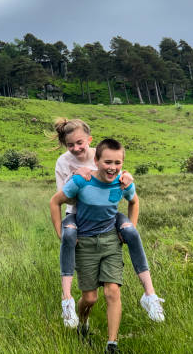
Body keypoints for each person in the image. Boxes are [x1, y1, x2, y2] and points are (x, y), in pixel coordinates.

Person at [52, 118, 164, 328]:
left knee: (131, 233)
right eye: (70, 145)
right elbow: (64, 196)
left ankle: (150, 294)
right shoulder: (63, 162)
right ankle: (66, 300)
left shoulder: (99, 155)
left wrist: (126, 176)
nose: (76, 148)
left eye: (80, 143)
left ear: (89, 140)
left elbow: (115, 170)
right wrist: (77, 176)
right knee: (68, 236)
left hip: (106, 212)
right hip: (77, 212)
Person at [50, 138, 138, 354]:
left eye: (118, 163)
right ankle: (83, 323)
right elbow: (56, 200)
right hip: (85, 242)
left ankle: (112, 346)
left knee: (112, 292)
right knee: (90, 298)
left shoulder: (121, 182)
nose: (113, 167)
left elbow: (134, 201)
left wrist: (130, 230)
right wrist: (61, 233)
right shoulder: (83, 180)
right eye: (107, 161)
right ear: (96, 160)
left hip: (110, 242)